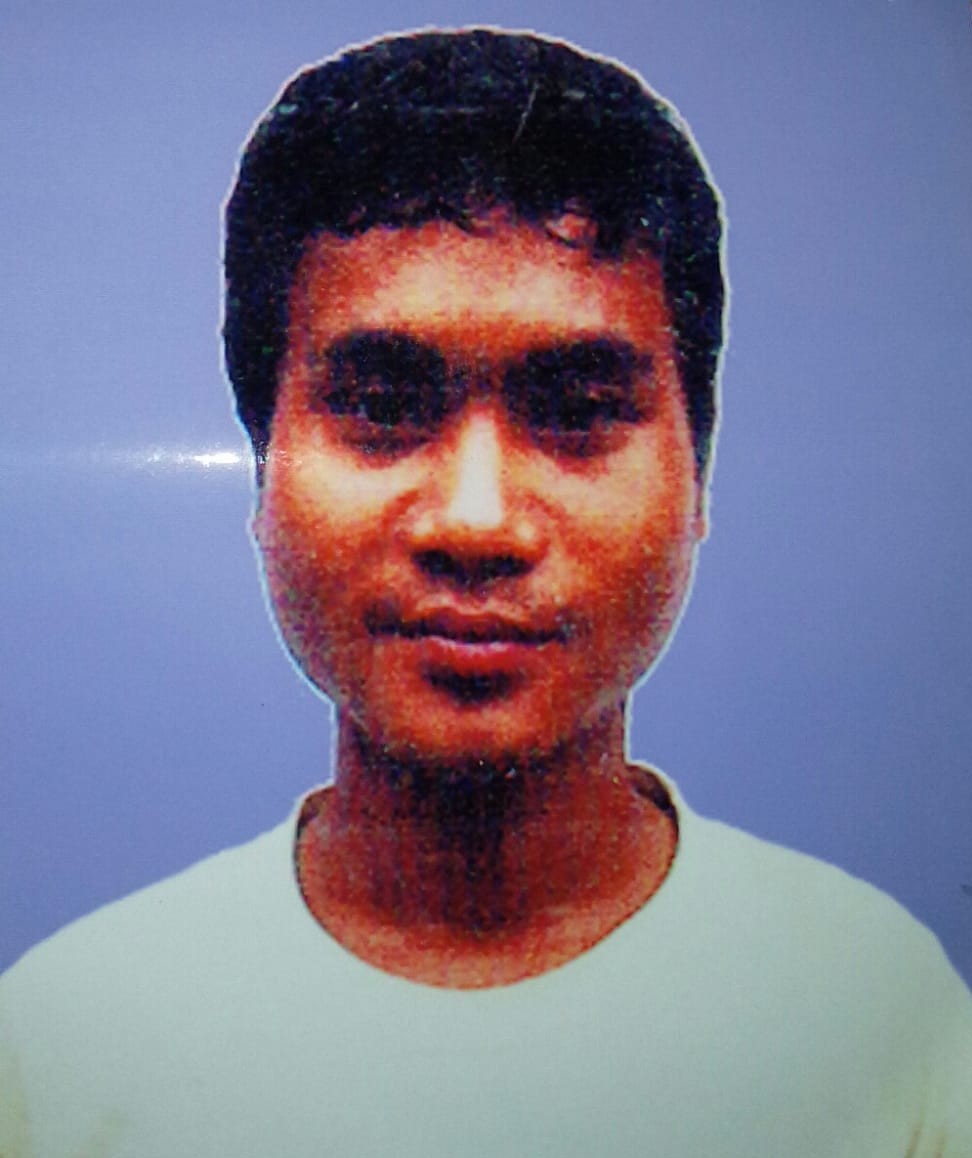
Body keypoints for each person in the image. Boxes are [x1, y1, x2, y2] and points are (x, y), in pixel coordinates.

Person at [1, 27, 969, 1157]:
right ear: (260, 471)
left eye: (579, 413)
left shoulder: (881, 1021)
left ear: (698, 477)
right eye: (380, 407)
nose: (477, 522)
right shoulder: (67, 1049)